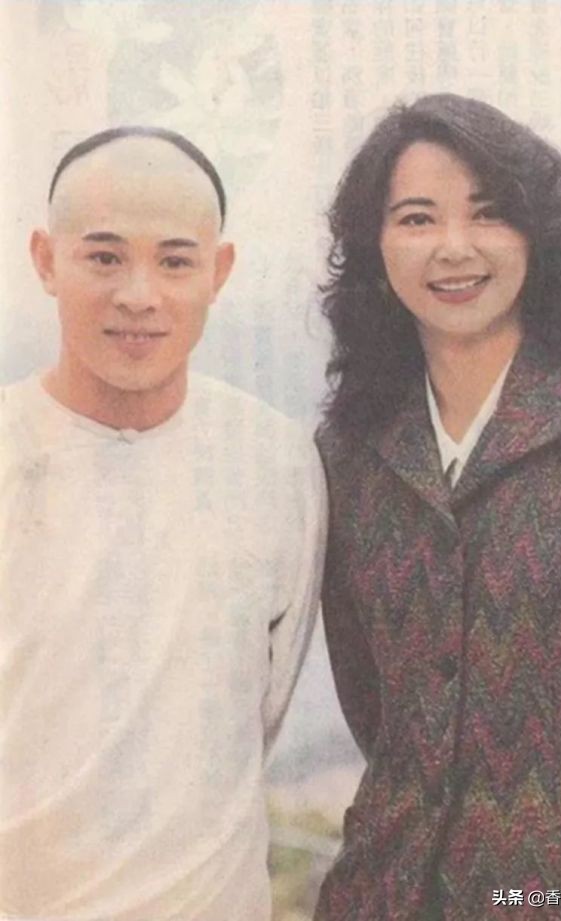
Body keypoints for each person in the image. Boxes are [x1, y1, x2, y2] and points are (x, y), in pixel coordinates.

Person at [313, 93, 561, 921]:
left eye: (488, 212)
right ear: (374, 247)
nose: (453, 248)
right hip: (387, 889)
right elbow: (372, 699)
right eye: (416, 218)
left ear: (536, 234)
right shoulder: (348, 452)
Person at [0, 126, 326, 921]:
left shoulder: (274, 462)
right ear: (46, 260)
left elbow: (260, 708)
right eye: (104, 256)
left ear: (219, 271)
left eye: (175, 261)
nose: (139, 295)